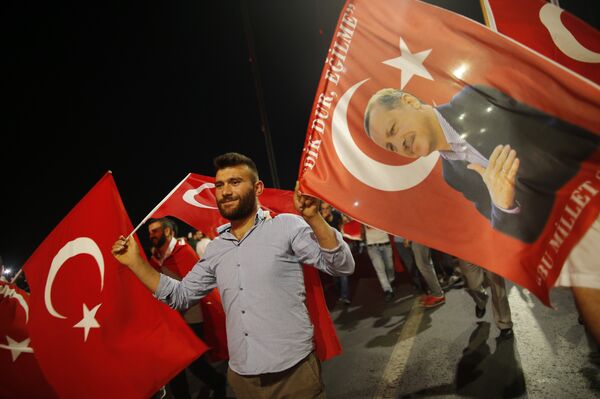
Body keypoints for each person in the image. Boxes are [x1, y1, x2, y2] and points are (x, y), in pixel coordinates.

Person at [112, 152, 355, 399]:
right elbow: (180, 295)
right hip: (242, 381)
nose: (225, 191)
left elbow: (341, 266)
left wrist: (313, 218)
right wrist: (135, 263)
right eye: (220, 185)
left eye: (235, 182)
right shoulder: (217, 248)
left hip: (294, 377)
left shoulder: (286, 226)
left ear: (257, 188)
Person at [364, 85, 599, 243]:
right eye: (391, 147)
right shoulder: (453, 175)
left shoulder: (475, 97)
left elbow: (559, 111)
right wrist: (504, 205)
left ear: (410, 101)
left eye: (393, 130)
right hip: (576, 234)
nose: (399, 144)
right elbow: (516, 235)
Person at [147, 217, 227, 399]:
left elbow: (197, 288)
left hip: (191, 318)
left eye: (155, 231)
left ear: (167, 231)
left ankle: (218, 383)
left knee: (194, 363)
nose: (151, 235)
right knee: (174, 366)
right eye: (150, 232)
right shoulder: (155, 260)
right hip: (170, 322)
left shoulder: (184, 252)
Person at [457, 259, 514, 339]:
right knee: (472, 285)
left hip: (490, 249)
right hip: (467, 250)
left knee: (498, 287)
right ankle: (481, 301)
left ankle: (504, 323)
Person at [319, 202, 351, 305]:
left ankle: (344, 296)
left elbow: (342, 222)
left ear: (331, 208)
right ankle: (338, 289)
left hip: (339, 248)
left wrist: (341, 231)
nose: (325, 210)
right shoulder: (320, 219)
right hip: (328, 251)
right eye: (323, 208)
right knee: (336, 276)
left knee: (343, 274)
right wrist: (323, 218)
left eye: (327, 208)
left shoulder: (336, 215)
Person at [362, 225, 396, 302]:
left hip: (385, 243)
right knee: (380, 269)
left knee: (390, 266)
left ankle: (391, 280)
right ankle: (387, 290)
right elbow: (368, 226)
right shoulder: (363, 215)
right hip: (372, 246)